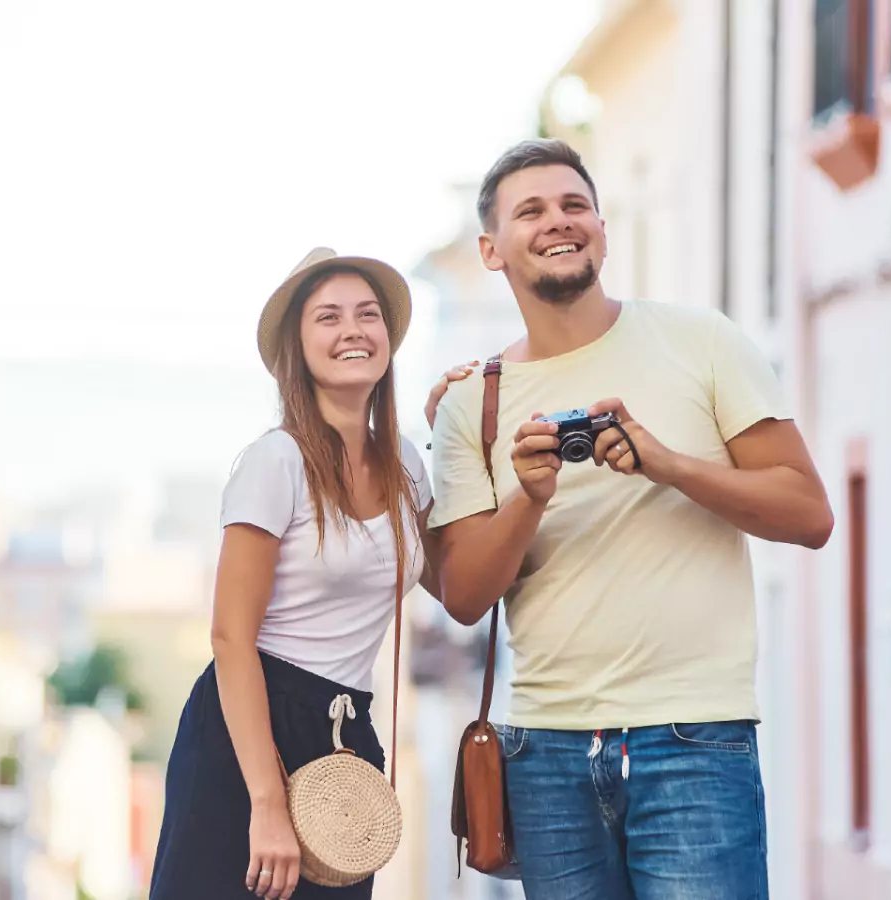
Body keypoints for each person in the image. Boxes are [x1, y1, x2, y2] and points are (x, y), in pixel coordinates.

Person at [427, 139, 834, 900]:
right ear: (491, 249)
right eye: (532, 211)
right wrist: (530, 497)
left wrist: (667, 465)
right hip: (545, 750)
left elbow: (809, 514)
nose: (559, 222)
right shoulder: (468, 404)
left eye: (575, 205)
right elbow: (463, 594)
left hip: (695, 737)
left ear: (603, 231)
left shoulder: (700, 340)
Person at [149, 247, 471, 900]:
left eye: (368, 314)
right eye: (328, 316)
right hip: (251, 724)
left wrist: (470, 444)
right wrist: (265, 801)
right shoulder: (276, 462)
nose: (352, 329)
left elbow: (461, 590)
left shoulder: (407, 463)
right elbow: (231, 638)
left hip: (346, 734)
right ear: (299, 346)